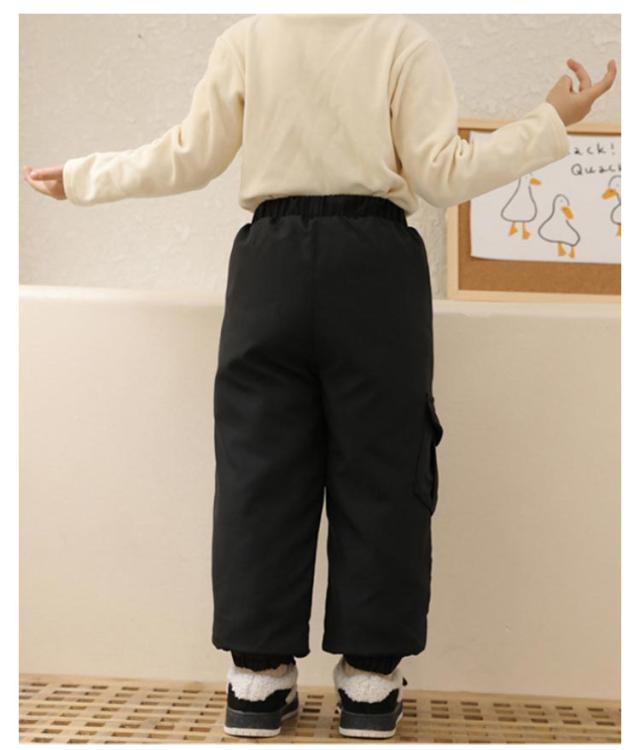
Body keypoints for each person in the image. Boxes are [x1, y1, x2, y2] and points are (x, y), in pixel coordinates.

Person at [23, 13, 617, 740]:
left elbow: (189, 156)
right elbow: (443, 174)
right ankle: (370, 683)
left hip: (269, 267)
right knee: (385, 467)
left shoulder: (249, 39)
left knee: (259, 468)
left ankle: (257, 681)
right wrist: (551, 120)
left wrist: (83, 177)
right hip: (375, 269)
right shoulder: (402, 41)